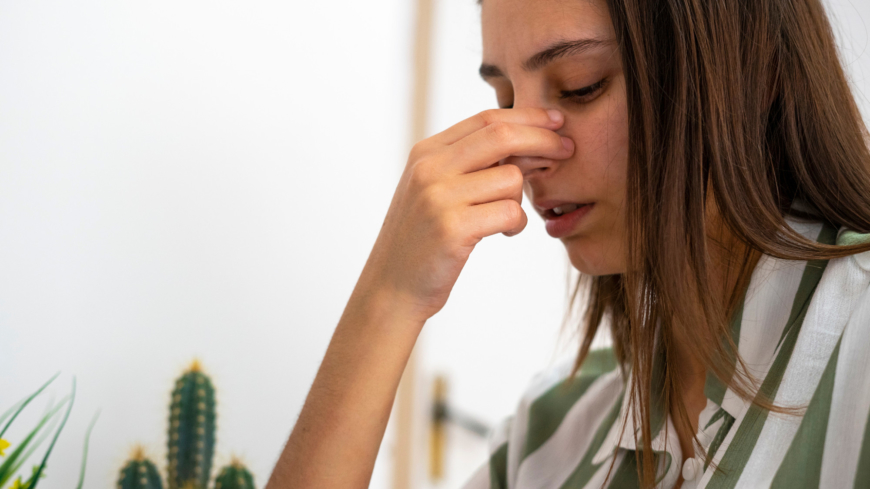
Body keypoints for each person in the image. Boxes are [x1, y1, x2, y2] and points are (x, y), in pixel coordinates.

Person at [265, 0, 870, 487]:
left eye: (580, 86)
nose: (521, 149)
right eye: (504, 99)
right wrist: (387, 300)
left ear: (752, 68)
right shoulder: (547, 441)